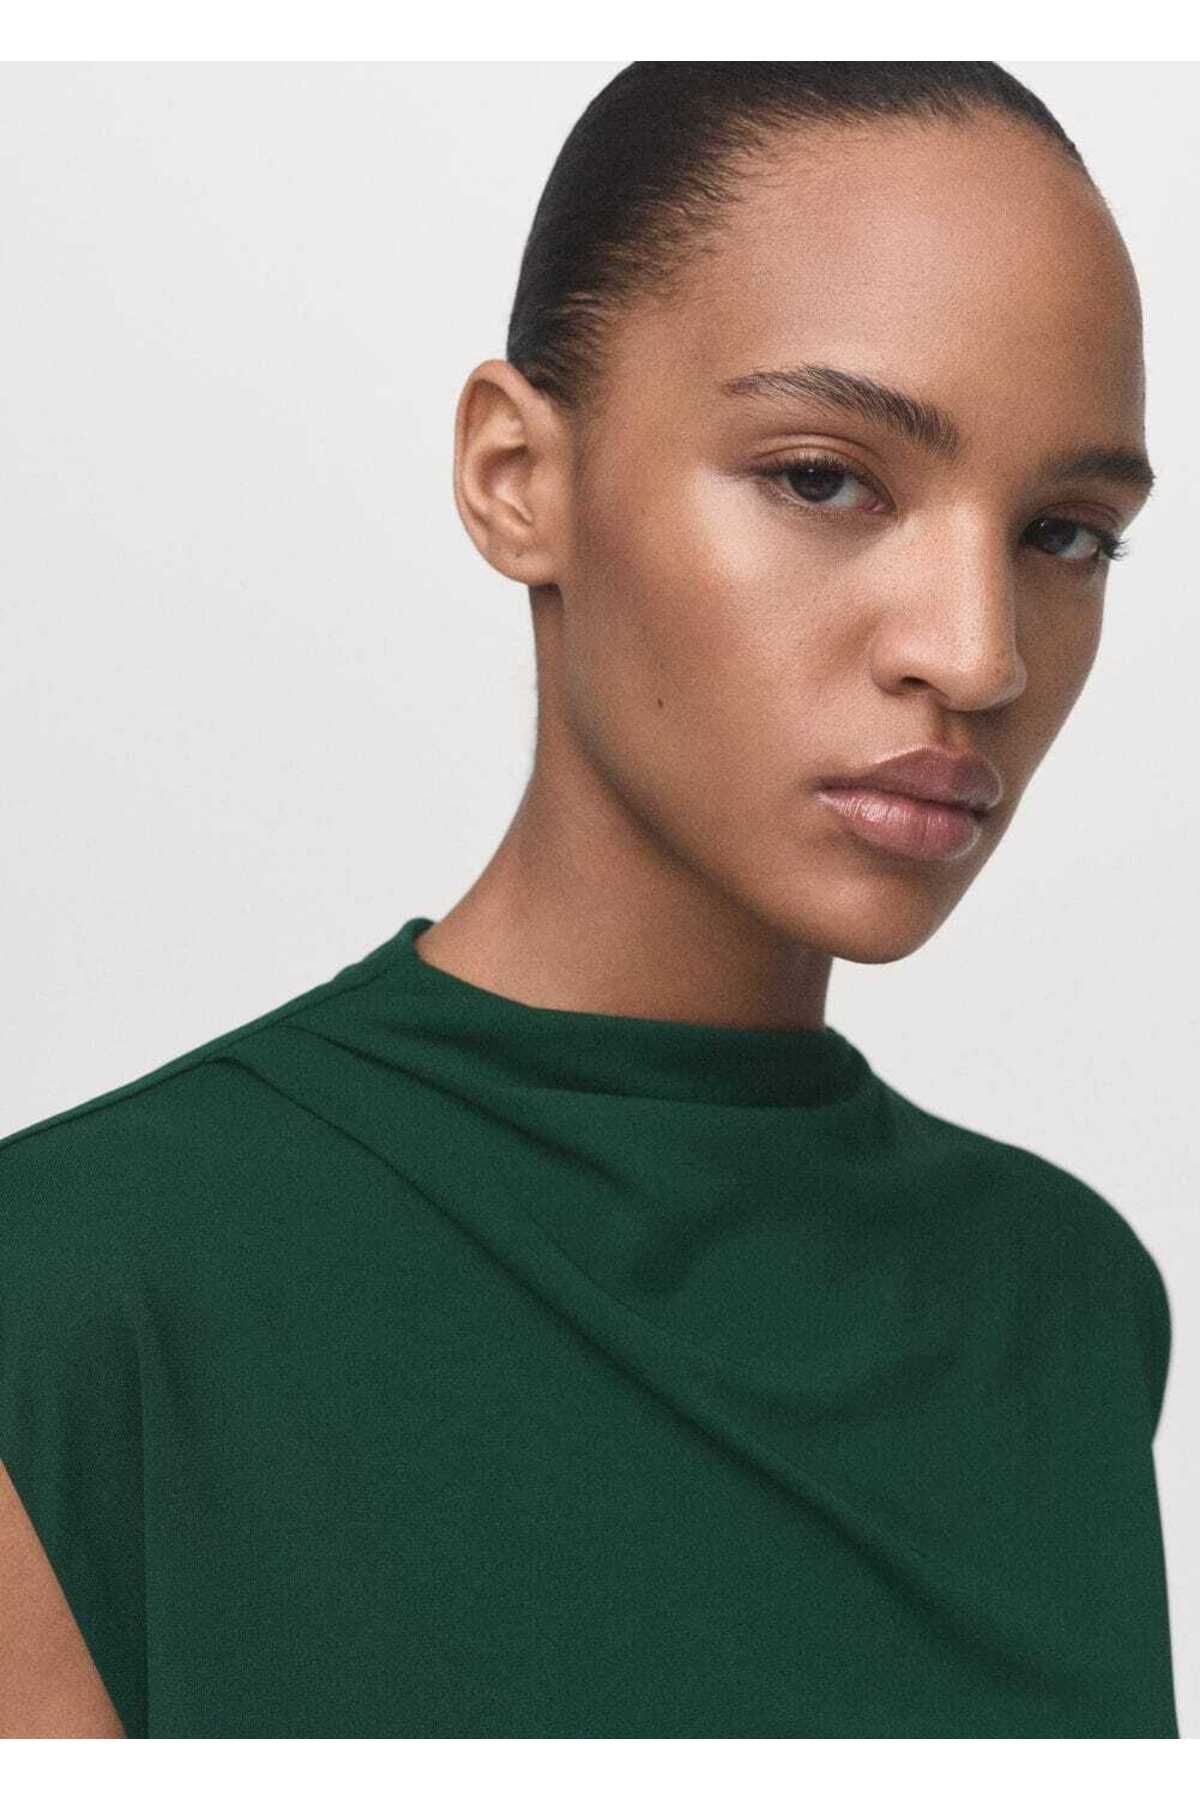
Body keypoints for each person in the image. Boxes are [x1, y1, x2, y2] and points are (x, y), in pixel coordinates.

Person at [0, 61, 1176, 1738]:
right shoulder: (74, 1301)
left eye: (1066, 534)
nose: (977, 652)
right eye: (823, 478)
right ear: (514, 476)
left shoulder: (1064, 1305)